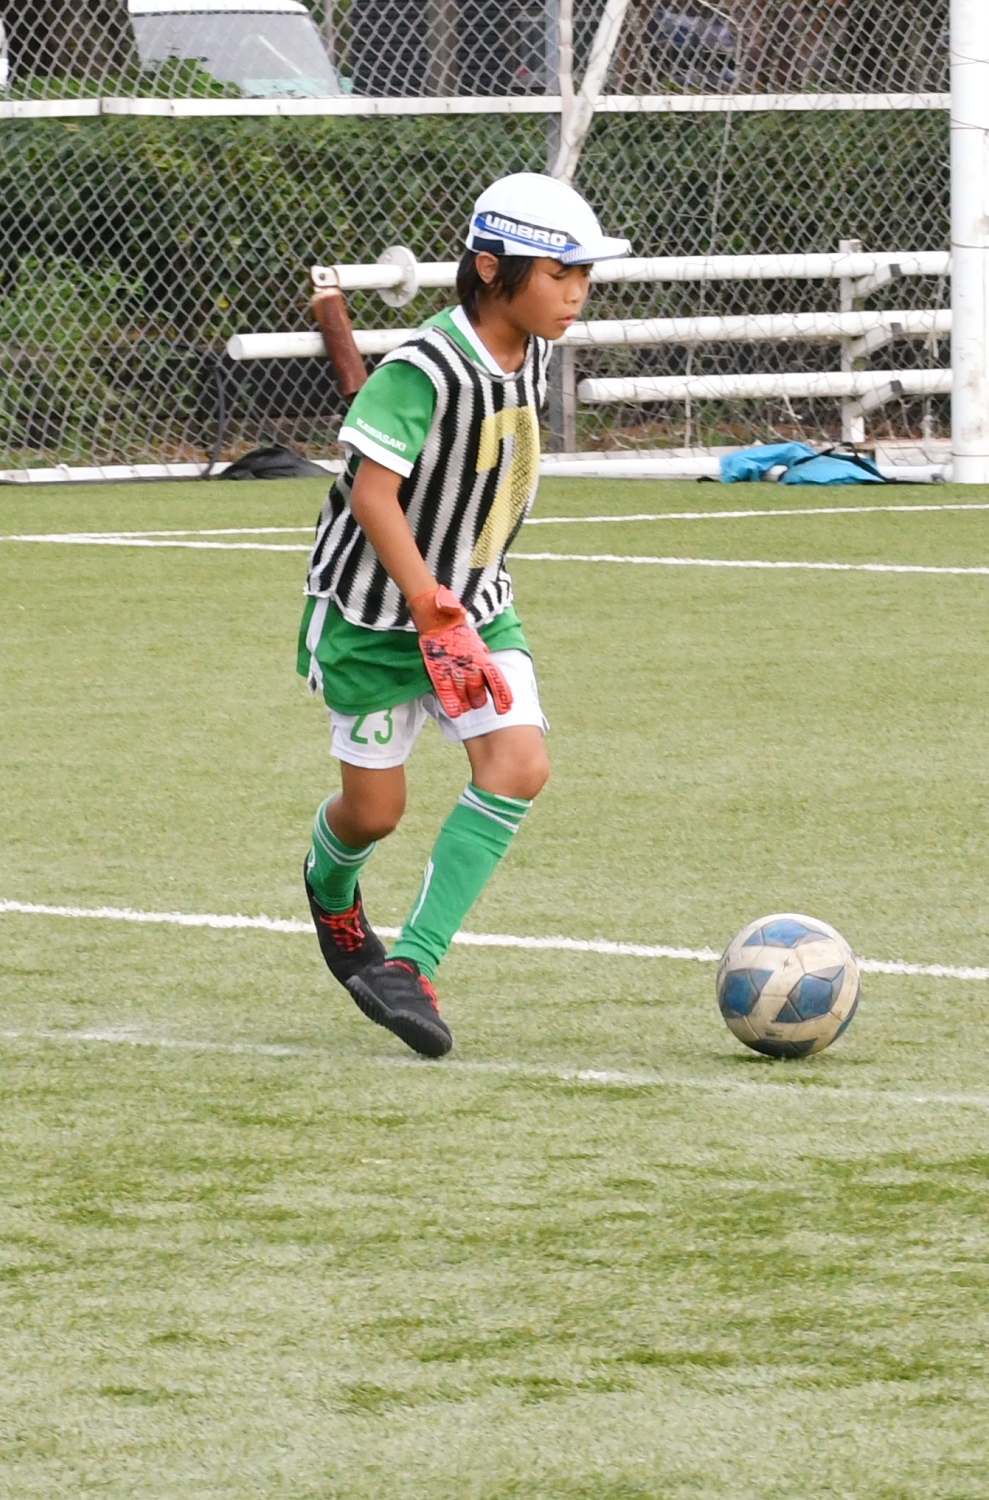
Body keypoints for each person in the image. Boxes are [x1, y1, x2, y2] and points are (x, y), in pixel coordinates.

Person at [297, 173, 628, 1055]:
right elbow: (372, 494)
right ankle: (330, 887)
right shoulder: (421, 370)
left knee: (519, 765)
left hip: (475, 607)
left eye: (583, 276)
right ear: (490, 267)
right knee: (374, 813)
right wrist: (424, 602)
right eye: (558, 274)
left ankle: (411, 965)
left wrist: (458, 606)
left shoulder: (535, 350)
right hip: (374, 618)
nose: (575, 294)